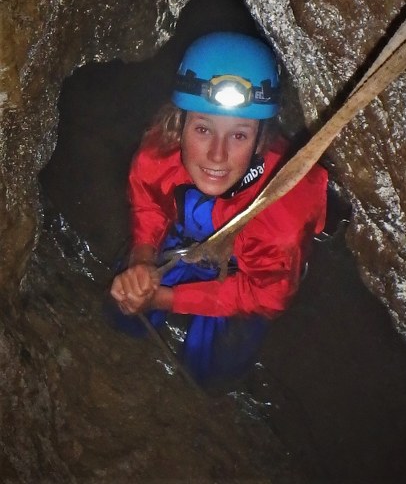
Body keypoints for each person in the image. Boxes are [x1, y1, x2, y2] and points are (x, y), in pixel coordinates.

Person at [110, 31, 327, 388]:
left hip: (254, 270)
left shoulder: (280, 216)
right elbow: (149, 205)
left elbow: (266, 295)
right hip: (187, 236)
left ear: (261, 141)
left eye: (239, 135)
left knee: (211, 374)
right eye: (203, 129)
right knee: (121, 307)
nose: (217, 154)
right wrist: (142, 261)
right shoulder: (159, 153)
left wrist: (165, 298)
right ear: (179, 125)